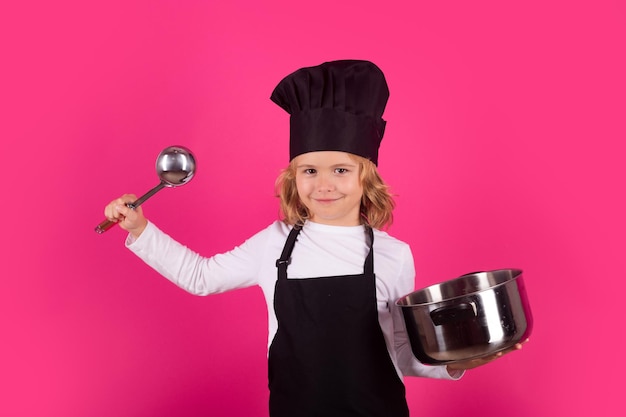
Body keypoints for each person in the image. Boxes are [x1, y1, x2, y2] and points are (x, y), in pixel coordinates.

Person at [103, 60, 524, 417]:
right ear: (293, 178)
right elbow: (200, 277)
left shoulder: (394, 255)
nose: (324, 185)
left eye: (340, 170)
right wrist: (141, 229)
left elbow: (397, 347)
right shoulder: (275, 243)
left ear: (366, 178)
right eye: (310, 171)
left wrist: (455, 363)